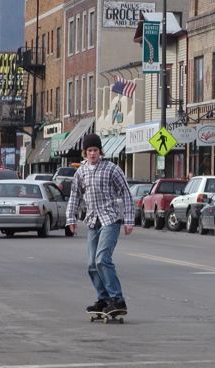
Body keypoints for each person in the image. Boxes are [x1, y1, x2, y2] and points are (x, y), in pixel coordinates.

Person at [66, 133, 134, 317]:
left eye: (95, 150)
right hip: (92, 220)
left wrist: (129, 220)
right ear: (85, 153)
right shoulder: (81, 172)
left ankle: (117, 299)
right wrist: (70, 219)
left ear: (100, 151)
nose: (93, 154)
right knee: (91, 264)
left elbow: (126, 194)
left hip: (110, 219)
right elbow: (75, 196)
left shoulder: (112, 169)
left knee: (102, 259)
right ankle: (104, 299)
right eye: (90, 150)